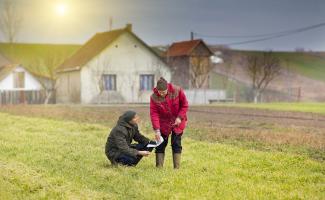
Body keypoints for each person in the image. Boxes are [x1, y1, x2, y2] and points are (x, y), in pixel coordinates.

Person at [150, 77, 189, 169]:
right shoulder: (154, 97)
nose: (162, 94)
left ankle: (176, 168)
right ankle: (159, 167)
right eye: (160, 92)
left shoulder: (177, 90)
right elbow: (154, 114)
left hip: (177, 121)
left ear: (167, 88)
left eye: (164, 92)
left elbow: (185, 105)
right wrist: (157, 130)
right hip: (163, 123)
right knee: (160, 143)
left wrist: (179, 117)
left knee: (176, 143)